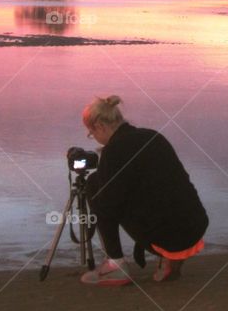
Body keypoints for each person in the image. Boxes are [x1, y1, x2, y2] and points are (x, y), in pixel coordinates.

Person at [79, 95, 209, 286]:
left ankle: (116, 266)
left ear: (100, 126)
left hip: (169, 236)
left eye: (91, 133)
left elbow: (108, 208)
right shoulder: (153, 136)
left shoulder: (114, 151)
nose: (94, 138)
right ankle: (169, 259)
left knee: (94, 184)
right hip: (196, 224)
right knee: (154, 195)